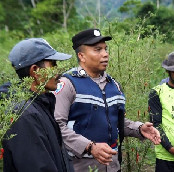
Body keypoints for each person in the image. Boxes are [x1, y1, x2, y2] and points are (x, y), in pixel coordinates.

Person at [54, 28, 161, 172]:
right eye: (97, 50)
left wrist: (139, 129)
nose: (105, 54)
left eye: (105, 49)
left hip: (112, 166)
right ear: (82, 56)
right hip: (81, 167)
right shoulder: (68, 84)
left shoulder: (113, 85)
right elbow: (56, 126)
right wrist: (89, 147)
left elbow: (114, 121)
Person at [0, 38, 74, 172]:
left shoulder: (40, 104)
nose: (59, 72)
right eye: (53, 64)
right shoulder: (23, 114)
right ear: (35, 71)